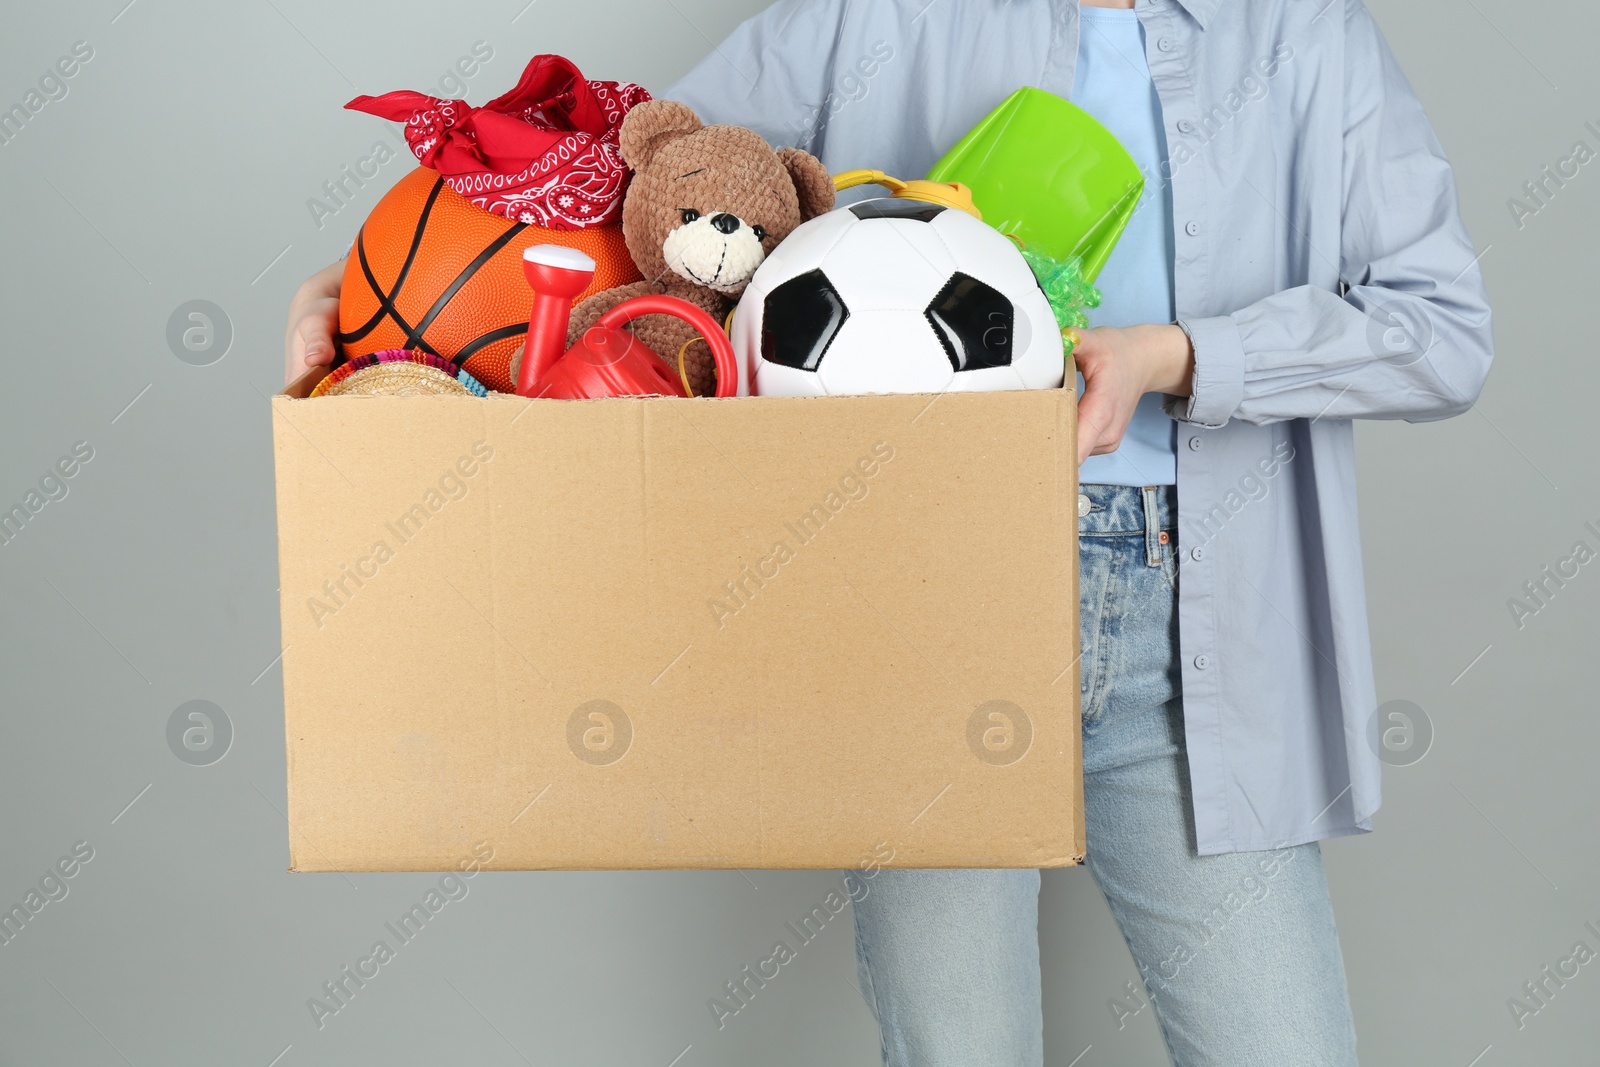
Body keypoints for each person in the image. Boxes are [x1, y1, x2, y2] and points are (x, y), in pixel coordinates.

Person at [283, 1, 1493, 1062]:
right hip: (917, 600)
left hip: (1194, 628)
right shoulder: (878, 15)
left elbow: (1441, 326)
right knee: (957, 1047)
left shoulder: (1312, 37)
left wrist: (1177, 355)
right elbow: (640, 193)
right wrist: (368, 296)